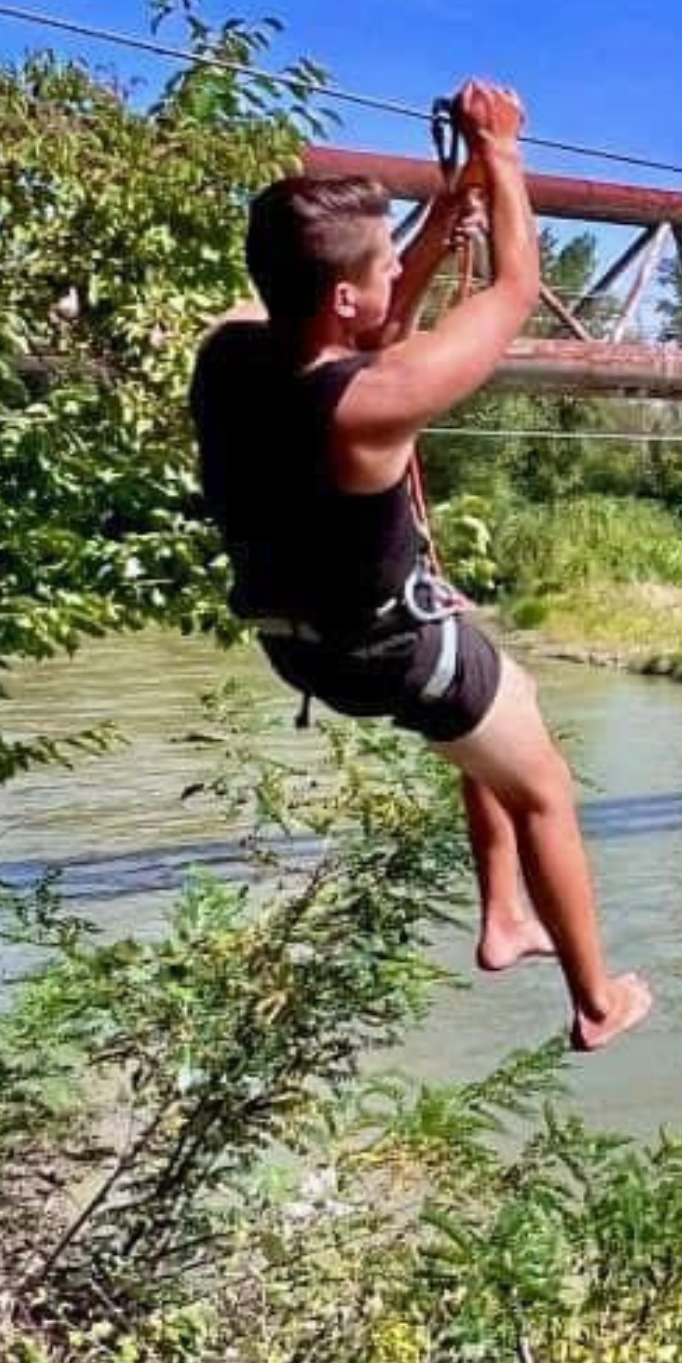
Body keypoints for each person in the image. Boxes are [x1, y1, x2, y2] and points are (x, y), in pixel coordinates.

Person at [188, 80, 650, 1051]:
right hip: (392, 652)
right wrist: (504, 154)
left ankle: (502, 915)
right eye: (384, 262)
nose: (400, 271)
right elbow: (514, 291)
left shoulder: (227, 351)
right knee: (545, 788)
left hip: (300, 644)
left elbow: (357, 324)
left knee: (492, 706)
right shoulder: (368, 406)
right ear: (346, 295)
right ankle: (597, 1001)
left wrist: (444, 213)